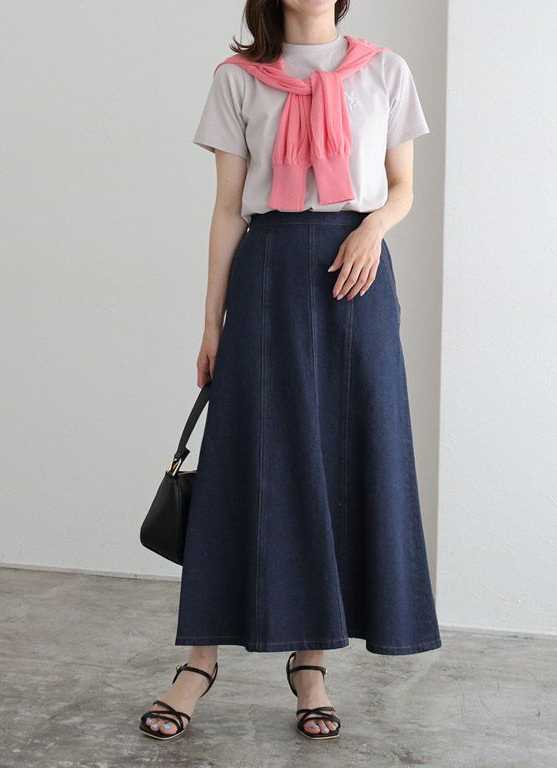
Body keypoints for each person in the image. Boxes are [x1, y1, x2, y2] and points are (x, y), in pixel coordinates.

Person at [140, 0, 441, 743]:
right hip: (268, 273)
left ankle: (312, 667)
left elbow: (402, 186)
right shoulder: (238, 79)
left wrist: (373, 228)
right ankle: (199, 662)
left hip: (356, 277)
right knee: (245, 461)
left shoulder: (386, 71)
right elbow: (227, 210)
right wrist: (211, 323)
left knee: (342, 460)